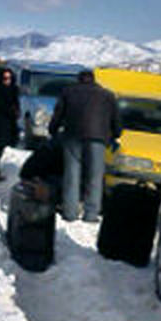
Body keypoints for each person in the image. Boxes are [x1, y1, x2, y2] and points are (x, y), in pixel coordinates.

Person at [48, 69, 121, 222]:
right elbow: (115, 118)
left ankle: (70, 212)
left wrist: (53, 130)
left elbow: (58, 114)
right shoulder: (107, 95)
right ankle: (91, 214)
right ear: (94, 80)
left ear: (79, 80)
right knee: (94, 177)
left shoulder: (68, 92)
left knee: (72, 175)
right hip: (98, 139)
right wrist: (116, 134)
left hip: (72, 137)